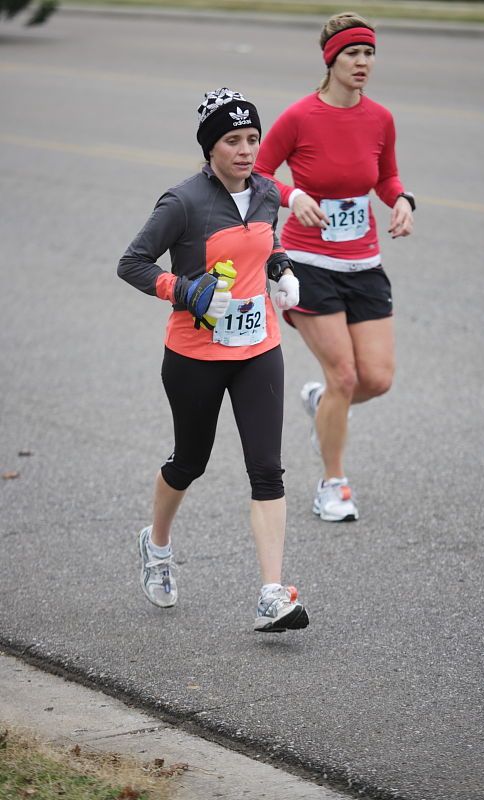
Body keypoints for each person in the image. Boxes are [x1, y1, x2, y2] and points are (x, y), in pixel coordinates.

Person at [117, 88, 308, 633]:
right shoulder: (182, 202)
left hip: (259, 350)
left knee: (267, 469)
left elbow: (267, 243)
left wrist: (281, 271)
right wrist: (185, 291)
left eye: (252, 139)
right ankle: (156, 546)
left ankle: (272, 593)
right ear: (210, 148)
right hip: (194, 355)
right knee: (190, 462)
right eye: (233, 141)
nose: (246, 150)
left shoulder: (268, 192)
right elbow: (131, 263)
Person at [255, 12, 414, 523]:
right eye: (353, 54)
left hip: (364, 264)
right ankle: (333, 483)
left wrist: (402, 200)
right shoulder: (300, 117)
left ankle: (323, 402)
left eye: (369, 53)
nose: (363, 63)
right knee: (345, 376)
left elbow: (385, 176)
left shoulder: (381, 118)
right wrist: (293, 194)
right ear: (331, 59)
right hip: (309, 264)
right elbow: (259, 173)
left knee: (378, 379)